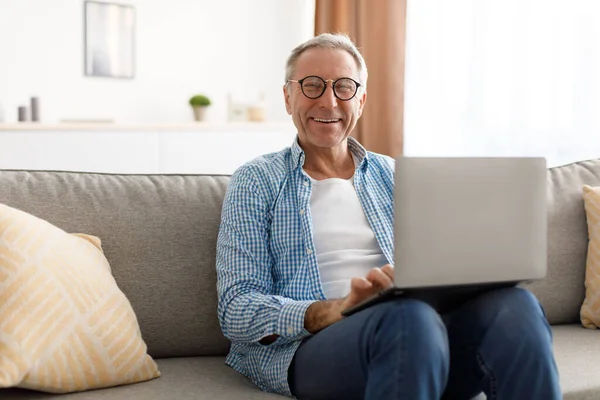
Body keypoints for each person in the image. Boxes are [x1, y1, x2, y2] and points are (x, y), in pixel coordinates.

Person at [215, 32, 561, 400]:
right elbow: (236, 309)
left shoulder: (395, 175)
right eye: (312, 85)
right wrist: (332, 311)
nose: (329, 101)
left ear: (361, 100)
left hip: (422, 337)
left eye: (344, 87)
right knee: (407, 319)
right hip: (317, 346)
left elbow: (437, 273)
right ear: (288, 97)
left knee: (515, 307)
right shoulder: (256, 180)